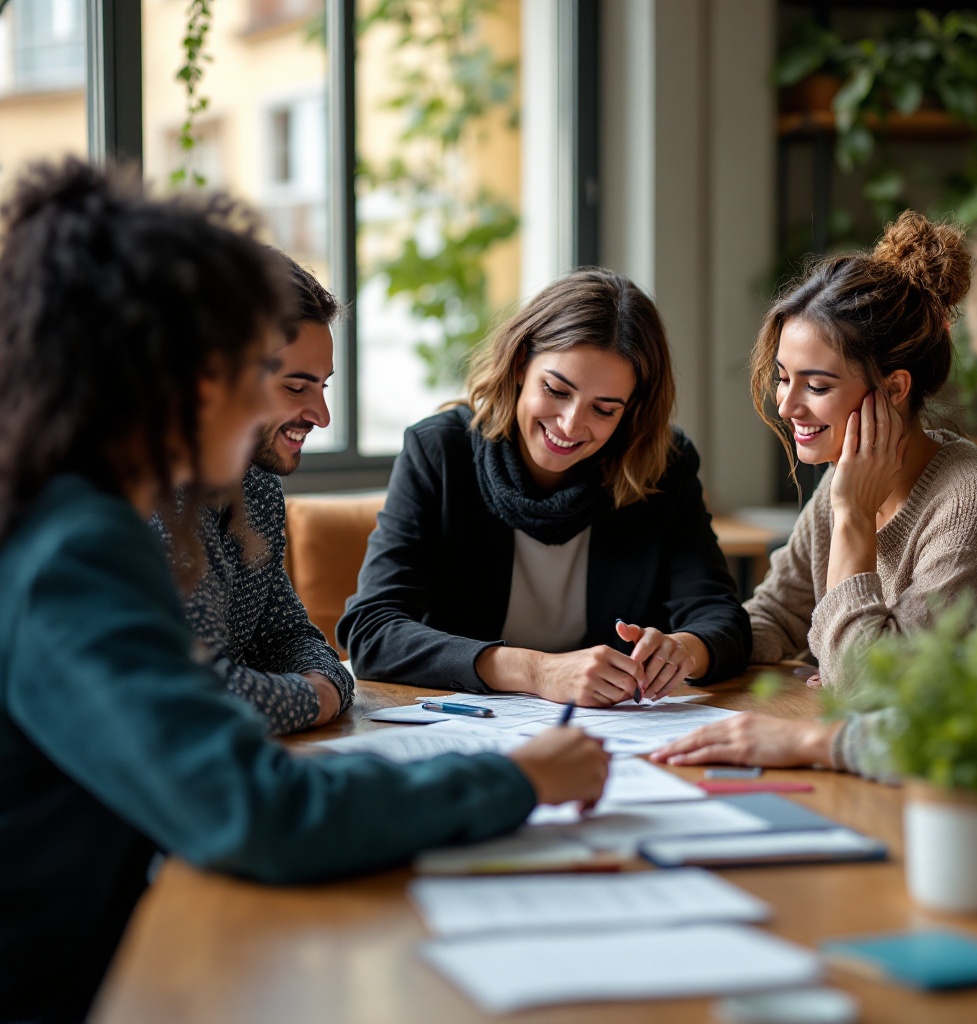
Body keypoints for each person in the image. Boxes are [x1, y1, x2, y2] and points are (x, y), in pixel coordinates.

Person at [0, 159, 609, 1024]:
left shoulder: (70, 507)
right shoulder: (72, 549)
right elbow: (256, 809)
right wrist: (512, 780)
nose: (317, 416)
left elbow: (265, 667)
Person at [652, 202, 977, 779]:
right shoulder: (842, 480)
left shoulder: (972, 502)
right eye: (782, 378)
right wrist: (690, 649)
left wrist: (853, 518)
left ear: (894, 387)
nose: (786, 405)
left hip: (932, 795)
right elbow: (778, 614)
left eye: (816, 385)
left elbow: (882, 695)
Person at [338, 268, 752, 707]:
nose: (571, 425)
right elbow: (372, 631)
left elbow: (723, 621)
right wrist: (537, 671)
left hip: (611, 736)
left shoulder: (664, 466)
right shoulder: (440, 451)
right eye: (556, 390)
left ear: (631, 413)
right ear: (520, 364)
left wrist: (683, 651)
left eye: (604, 410)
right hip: (465, 729)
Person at [152, 253, 351, 735]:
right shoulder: (147, 494)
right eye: (296, 387)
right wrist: (316, 696)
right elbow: (192, 697)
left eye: (322, 387)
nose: (322, 415)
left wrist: (322, 687)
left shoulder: (254, 490)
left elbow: (290, 637)